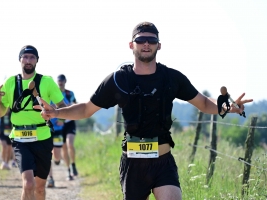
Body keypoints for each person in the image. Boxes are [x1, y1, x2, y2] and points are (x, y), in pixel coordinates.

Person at [35, 22, 253, 200]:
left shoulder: (172, 78)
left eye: (152, 40)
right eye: (141, 40)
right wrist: (55, 113)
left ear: (160, 45)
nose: (146, 44)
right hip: (133, 163)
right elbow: (86, 109)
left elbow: (204, 103)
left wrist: (226, 107)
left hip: (163, 161)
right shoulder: (118, 80)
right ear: (131, 45)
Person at [0, 45, 66, 200]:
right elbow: (0, 112)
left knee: (39, 188)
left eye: (32, 57)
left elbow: (62, 107)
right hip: (20, 139)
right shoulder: (10, 83)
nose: (28, 60)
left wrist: (57, 116)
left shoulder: (47, 81)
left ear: (37, 61)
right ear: (20, 60)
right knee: (28, 184)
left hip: (43, 138)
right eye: (25, 57)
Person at [57, 74, 78, 180]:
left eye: (62, 81)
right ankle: (68, 169)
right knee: (63, 148)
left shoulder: (70, 93)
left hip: (70, 122)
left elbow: (76, 104)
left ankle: (73, 164)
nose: (60, 83)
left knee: (70, 144)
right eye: (59, 81)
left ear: (65, 81)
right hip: (59, 125)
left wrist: (71, 105)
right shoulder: (54, 94)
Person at [46, 97, 70, 188]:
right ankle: (50, 178)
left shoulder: (59, 96)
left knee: (56, 156)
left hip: (58, 130)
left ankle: (57, 160)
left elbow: (68, 108)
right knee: (47, 156)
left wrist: (62, 120)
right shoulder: (42, 95)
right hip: (45, 131)